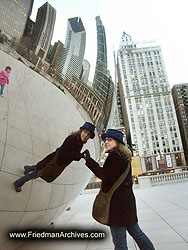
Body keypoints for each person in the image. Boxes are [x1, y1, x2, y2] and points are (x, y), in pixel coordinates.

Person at [82, 129, 155, 250]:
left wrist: (88, 160)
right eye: (105, 139)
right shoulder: (124, 157)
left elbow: (105, 176)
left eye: (110, 140)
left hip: (117, 207)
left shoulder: (114, 157)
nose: (106, 142)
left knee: (119, 242)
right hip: (128, 204)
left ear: (118, 142)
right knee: (137, 234)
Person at [14, 122, 95, 192]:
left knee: (39, 167)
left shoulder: (79, 141)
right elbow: (67, 154)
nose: (86, 135)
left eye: (88, 134)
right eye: (85, 132)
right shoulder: (72, 139)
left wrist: (80, 155)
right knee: (38, 173)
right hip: (55, 161)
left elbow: (72, 153)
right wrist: (80, 155)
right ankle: (18, 183)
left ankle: (27, 168)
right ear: (81, 131)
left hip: (57, 161)